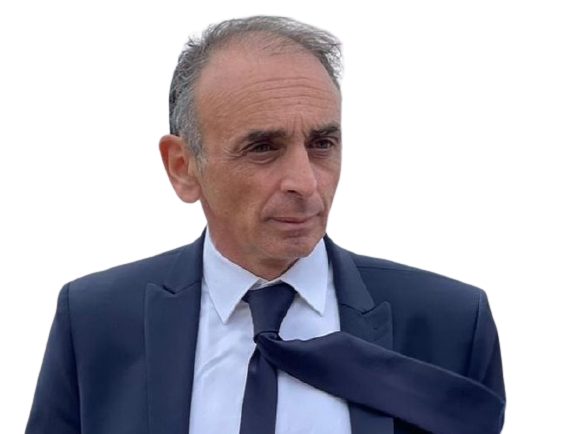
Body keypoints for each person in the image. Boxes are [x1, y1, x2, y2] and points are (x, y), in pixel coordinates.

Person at [24, 15, 507, 434]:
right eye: (262, 148)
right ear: (182, 168)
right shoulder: (95, 320)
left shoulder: (449, 322)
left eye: (322, 144)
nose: (305, 182)